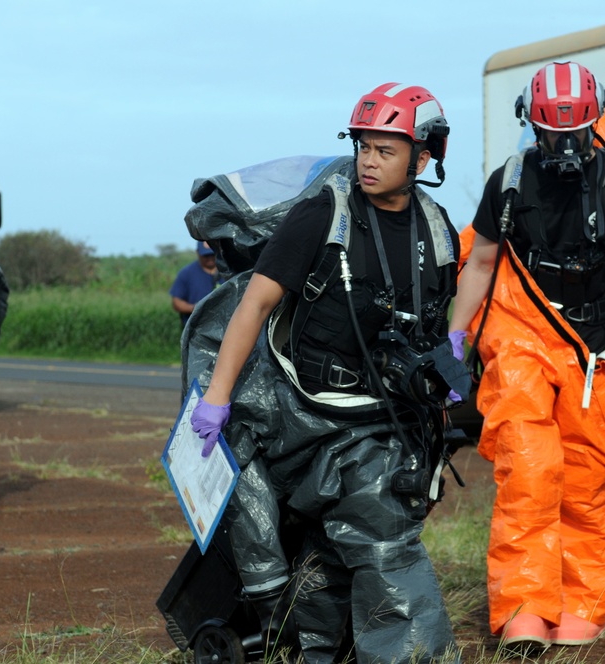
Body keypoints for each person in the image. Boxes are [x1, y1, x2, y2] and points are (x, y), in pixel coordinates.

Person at [189, 83, 462, 663]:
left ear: (423, 157)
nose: (368, 160)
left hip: (384, 417)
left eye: (386, 150)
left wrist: (453, 389)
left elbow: (437, 328)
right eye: (363, 146)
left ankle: (308, 647)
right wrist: (215, 398)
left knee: (337, 549)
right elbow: (253, 307)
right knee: (384, 538)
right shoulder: (322, 217)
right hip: (301, 412)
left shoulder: (437, 230)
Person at [449, 62, 605, 654]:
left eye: (575, 134)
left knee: (584, 482)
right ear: (533, 126)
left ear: (592, 124)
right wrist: (455, 337)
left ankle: (580, 603)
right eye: (552, 134)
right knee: (527, 472)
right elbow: (479, 264)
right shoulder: (509, 183)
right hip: (525, 335)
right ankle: (525, 610)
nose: (564, 147)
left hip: (595, 353)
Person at [170, 241, 220, 326]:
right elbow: (176, 302)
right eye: (206, 255)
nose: (210, 258)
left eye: (212, 254)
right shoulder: (186, 273)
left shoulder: (228, 272)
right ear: (197, 253)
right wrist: (196, 308)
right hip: (196, 329)